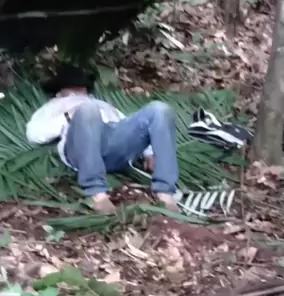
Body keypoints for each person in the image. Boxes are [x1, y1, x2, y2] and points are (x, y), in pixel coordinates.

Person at [25, 64, 179, 214]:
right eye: (73, 88)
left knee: (159, 109)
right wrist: (68, 115)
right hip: (80, 149)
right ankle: (97, 194)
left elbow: (129, 124)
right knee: (88, 110)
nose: (77, 92)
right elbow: (34, 134)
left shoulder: (100, 103)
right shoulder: (54, 105)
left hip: (114, 146)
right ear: (60, 91)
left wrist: (149, 153)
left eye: (80, 88)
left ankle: (165, 193)